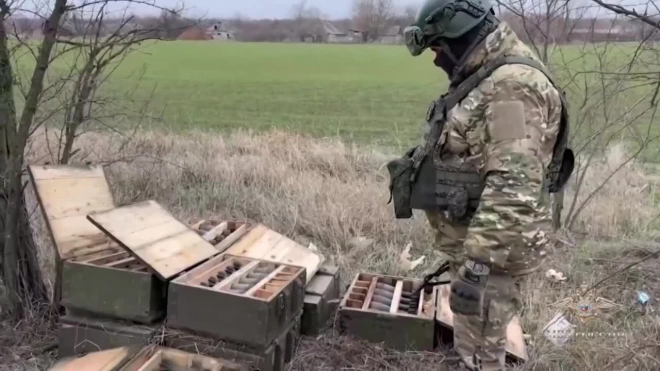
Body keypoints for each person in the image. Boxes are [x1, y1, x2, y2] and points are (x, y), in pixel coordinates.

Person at [389, 0, 574, 369]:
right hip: (481, 250)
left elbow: (513, 189)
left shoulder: (512, 88)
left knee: (482, 356)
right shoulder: (490, 76)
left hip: (491, 260)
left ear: (459, 38)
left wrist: (476, 269)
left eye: (437, 48)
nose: (435, 59)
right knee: (473, 346)